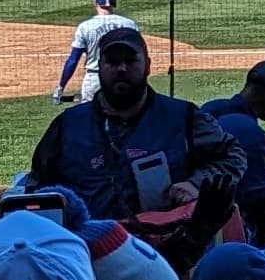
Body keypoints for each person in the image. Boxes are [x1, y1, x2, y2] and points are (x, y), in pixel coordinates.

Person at [28, 27, 247, 221]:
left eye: (130, 60)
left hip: (167, 250)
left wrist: (196, 183)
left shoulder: (183, 117)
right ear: (98, 67)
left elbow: (233, 156)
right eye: (112, 61)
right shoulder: (67, 125)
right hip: (88, 251)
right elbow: (37, 188)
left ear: (148, 65)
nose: (121, 68)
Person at [200, 60, 265, 245]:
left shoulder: (210, 109)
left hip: (195, 218)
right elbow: (261, 201)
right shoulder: (252, 134)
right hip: (228, 232)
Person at [54, 0, 141, 105]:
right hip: (121, 78)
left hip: (94, 80)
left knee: (90, 119)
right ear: (114, 1)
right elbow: (138, 56)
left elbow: (73, 60)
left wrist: (60, 88)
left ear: (95, 2)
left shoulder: (85, 27)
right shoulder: (130, 25)